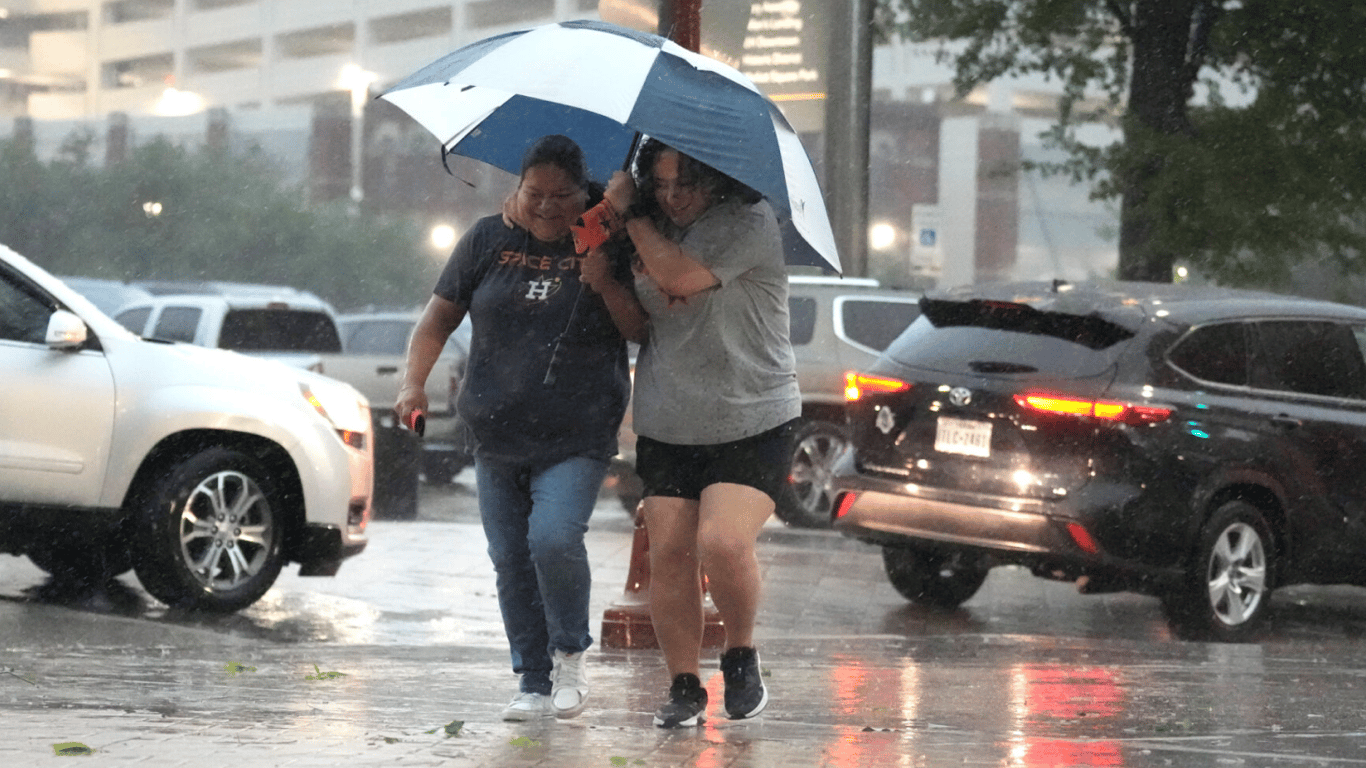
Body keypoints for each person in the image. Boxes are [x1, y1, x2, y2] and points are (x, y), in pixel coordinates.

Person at [395, 135, 638, 722]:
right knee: (509, 556)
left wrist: (603, 278)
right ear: (517, 188)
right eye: (536, 193)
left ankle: (570, 655)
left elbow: (640, 331)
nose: (548, 205)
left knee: (552, 539)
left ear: (585, 192)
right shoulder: (487, 238)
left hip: (577, 430)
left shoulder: (610, 240)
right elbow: (437, 320)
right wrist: (412, 384)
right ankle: (531, 678)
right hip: (496, 428)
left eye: (562, 195)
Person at [583, 138, 801, 728]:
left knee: (724, 542)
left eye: (689, 184)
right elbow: (642, 327)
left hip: (753, 412)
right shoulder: (645, 228)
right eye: (660, 184)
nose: (674, 197)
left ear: (718, 181)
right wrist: (606, 281)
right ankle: (682, 683)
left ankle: (739, 652)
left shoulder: (748, 222)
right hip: (670, 417)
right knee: (670, 554)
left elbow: (679, 277)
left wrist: (632, 218)